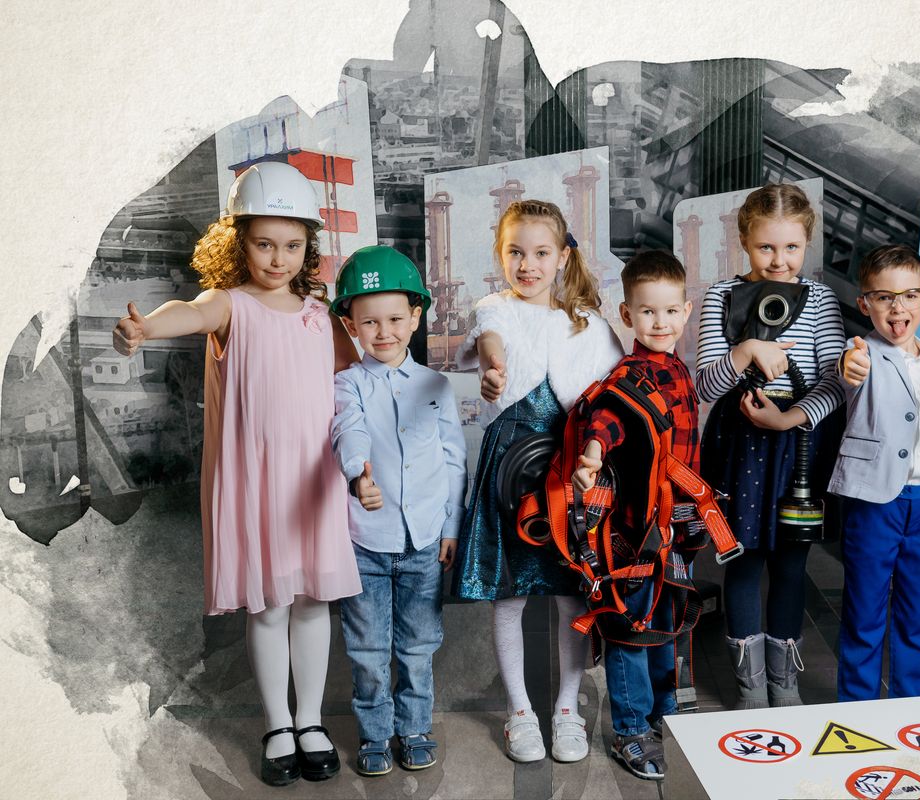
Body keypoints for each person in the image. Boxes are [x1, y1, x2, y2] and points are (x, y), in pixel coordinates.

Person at [111, 161, 361, 786]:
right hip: (258, 482)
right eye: (263, 244)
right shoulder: (230, 305)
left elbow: (355, 381)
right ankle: (278, 724)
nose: (278, 259)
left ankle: (311, 720)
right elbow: (186, 312)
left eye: (292, 246)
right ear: (237, 241)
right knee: (270, 606)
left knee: (313, 603)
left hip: (315, 480)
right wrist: (145, 328)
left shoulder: (319, 314)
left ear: (308, 247)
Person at [450, 200, 623, 763]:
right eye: (516, 252)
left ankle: (567, 707)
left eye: (541, 253)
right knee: (510, 592)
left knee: (572, 591)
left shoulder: (589, 324)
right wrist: (493, 372)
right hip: (510, 470)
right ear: (500, 255)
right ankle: (519, 710)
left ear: (563, 256)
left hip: (572, 471)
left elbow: (613, 393)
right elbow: (491, 342)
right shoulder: (493, 307)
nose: (528, 265)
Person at [695, 183, 845, 708]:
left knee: (790, 563)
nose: (779, 260)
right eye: (766, 247)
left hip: (798, 445)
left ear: (807, 244)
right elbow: (706, 387)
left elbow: (835, 383)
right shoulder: (721, 296)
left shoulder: (821, 299)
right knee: (742, 560)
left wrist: (789, 419)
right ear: (744, 241)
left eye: (791, 247)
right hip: (739, 446)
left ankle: (785, 684)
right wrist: (746, 350)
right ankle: (751, 688)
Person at [329, 246, 467, 775]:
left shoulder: (436, 386)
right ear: (351, 325)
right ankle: (374, 734)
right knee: (367, 649)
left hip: (425, 541)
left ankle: (413, 728)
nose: (383, 332)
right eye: (369, 322)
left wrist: (451, 526)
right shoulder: (347, 384)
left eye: (393, 319)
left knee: (418, 646)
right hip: (366, 540)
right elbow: (348, 429)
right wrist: (358, 474)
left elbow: (453, 460)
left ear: (415, 317)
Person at [571, 250, 696, 780]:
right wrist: (593, 453)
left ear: (686, 311)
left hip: (675, 528)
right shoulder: (629, 376)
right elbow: (607, 420)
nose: (660, 322)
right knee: (630, 627)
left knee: (666, 623)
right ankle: (631, 729)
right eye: (647, 312)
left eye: (669, 311)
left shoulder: (679, 370)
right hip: (634, 533)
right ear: (627, 315)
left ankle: (666, 716)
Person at [829, 244, 920, 702]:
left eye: (910, 296)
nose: (898, 307)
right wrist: (848, 367)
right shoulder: (861, 354)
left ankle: (911, 706)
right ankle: (857, 707)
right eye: (884, 297)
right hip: (875, 504)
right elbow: (848, 374)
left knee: (918, 615)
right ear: (864, 303)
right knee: (864, 612)